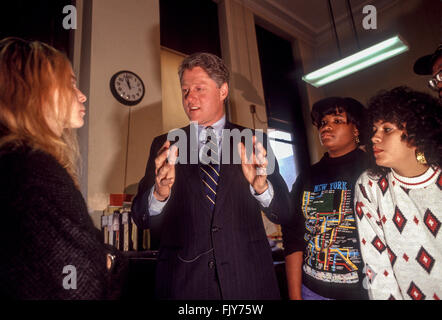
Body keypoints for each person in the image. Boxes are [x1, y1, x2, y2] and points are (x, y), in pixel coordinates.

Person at [131, 52, 290, 300]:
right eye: (185, 90)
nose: (190, 98)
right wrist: (159, 194)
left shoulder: (254, 141)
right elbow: (140, 216)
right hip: (184, 284)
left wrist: (262, 188)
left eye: (199, 89)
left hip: (247, 281)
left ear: (223, 91)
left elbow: (285, 211)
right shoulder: (165, 143)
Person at [0, 37, 126, 299]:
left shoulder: (18, 163)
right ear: (36, 91)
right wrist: (107, 261)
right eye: (70, 84)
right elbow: (81, 284)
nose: (82, 95)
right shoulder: (34, 169)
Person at [354, 86, 442, 300]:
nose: (375, 137)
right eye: (374, 130)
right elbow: (376, 268)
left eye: (387, 129)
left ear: (416, 133)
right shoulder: (369, 187)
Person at [282, 97, 369, 300]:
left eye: (337, 121)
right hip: (312, 291)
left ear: (356, 129)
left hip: (364, 292)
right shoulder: (307, 177)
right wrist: (295, 296)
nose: (326, 127)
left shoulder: (372, 170)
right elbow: (293, 237)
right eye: (323, 123)